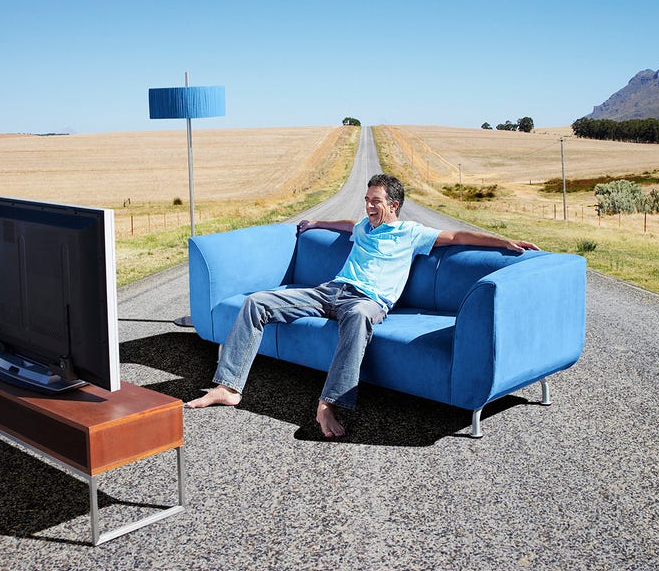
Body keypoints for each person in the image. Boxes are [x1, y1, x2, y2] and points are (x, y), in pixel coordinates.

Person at [185, 173, 538, 437]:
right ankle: (227, 387)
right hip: (330, 291)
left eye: (376, 201)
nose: (369, 206)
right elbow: (345, 225)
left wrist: (504, 242)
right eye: (367, 200)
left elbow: (458, 236)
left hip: (369, 302)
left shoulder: (411, 233)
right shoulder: (363, 227)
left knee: (356, 318)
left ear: (393, 205)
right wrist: (318, 222)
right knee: (257, 302)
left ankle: (328, 404)